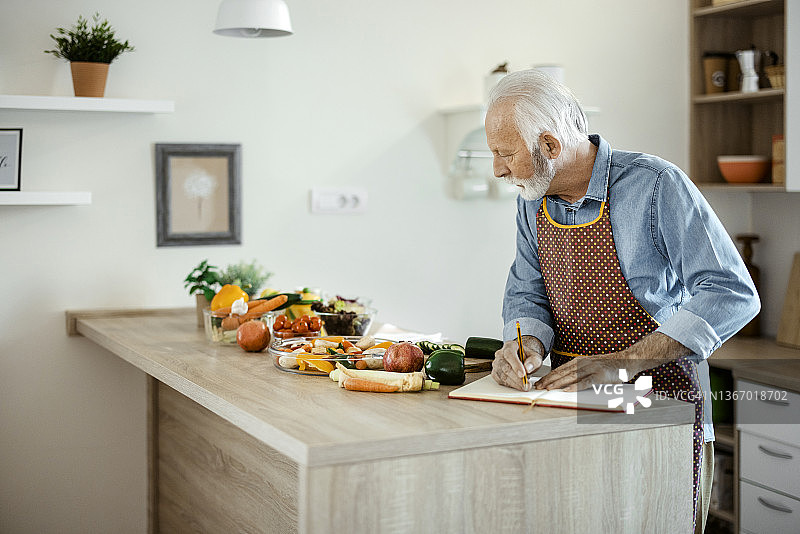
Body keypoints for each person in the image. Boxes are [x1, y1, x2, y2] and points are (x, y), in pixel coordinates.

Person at [487, 69, 760, 534]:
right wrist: (525, 343)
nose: (497, 170)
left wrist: (621, 363)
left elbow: (731, 292)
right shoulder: (532, 199)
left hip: (661, 409)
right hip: (570, 411)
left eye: (505, 154)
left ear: (550, 145)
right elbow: (527, 290)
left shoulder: (656, 185)